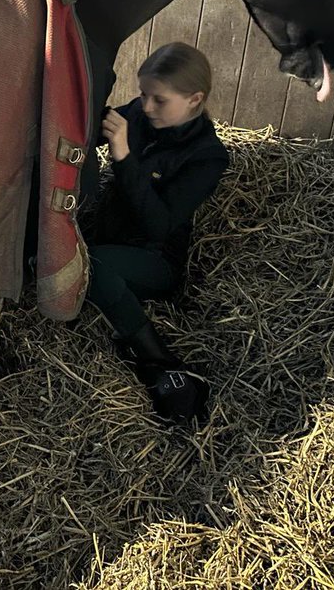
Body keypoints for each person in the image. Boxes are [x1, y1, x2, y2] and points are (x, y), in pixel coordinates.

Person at [85, 42, 229, 425]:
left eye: (159, 100)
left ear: (195, 99)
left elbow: (158, 225)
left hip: (154, 259)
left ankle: (160, 360)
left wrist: (123, 155)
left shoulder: (207, 156)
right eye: (143, 94)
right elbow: (89, 130)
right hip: (106, 237)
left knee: (89, 265)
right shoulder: (142, 114)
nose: (146, 107)